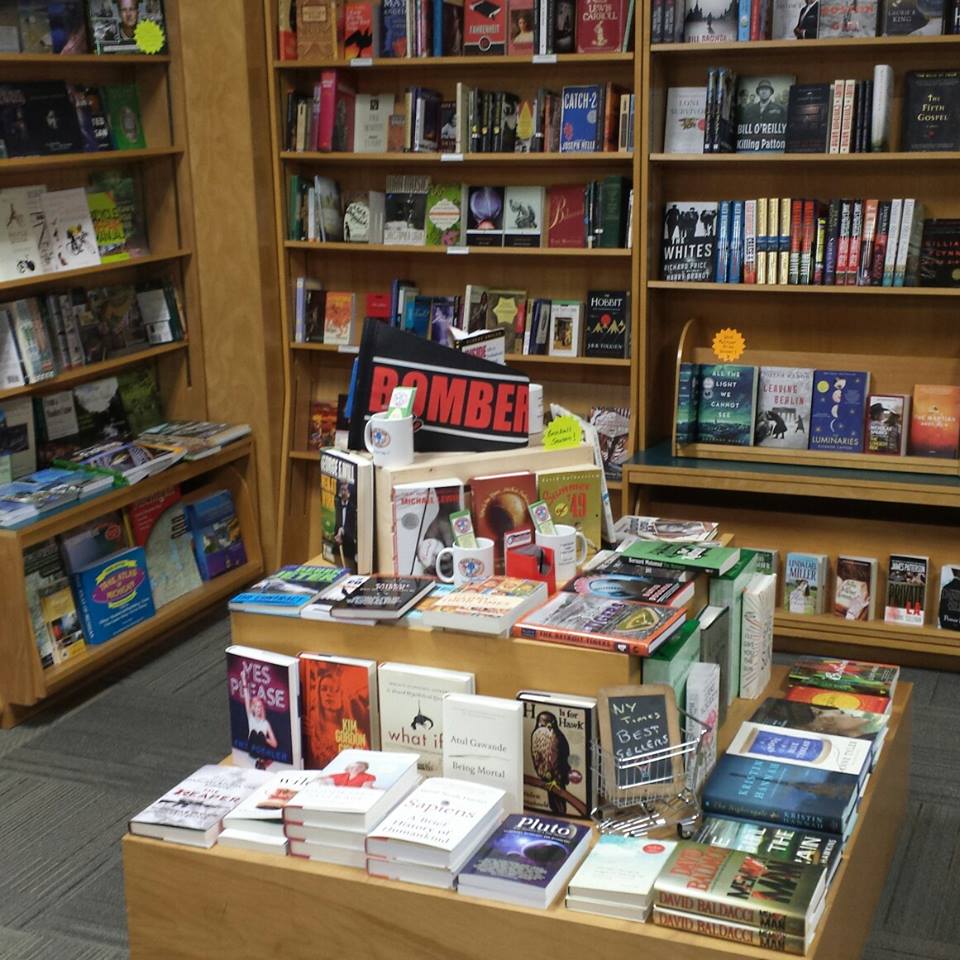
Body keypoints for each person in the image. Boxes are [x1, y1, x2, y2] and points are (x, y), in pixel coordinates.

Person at [241, 662, 278, 767]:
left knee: (260, 735)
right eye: (257, 707)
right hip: (252, 751)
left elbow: (274, 743)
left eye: (260, 706)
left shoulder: (265, 723)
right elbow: (247, 699)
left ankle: (261, 762)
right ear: (253, 708)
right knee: (254, 734)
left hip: (261, 752)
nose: (258, 709)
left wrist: (264, 739)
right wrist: (244, 681)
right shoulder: (251, 718)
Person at [334, 479, 357, 569]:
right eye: (342, 489)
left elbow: (353, 526)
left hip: (349, 542)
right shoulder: (337, 504)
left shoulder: (352, 507)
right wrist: (337, 534)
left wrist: (343, 531)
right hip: (338, 541)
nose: (343, 492)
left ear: (349, 493)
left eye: (345, 490)